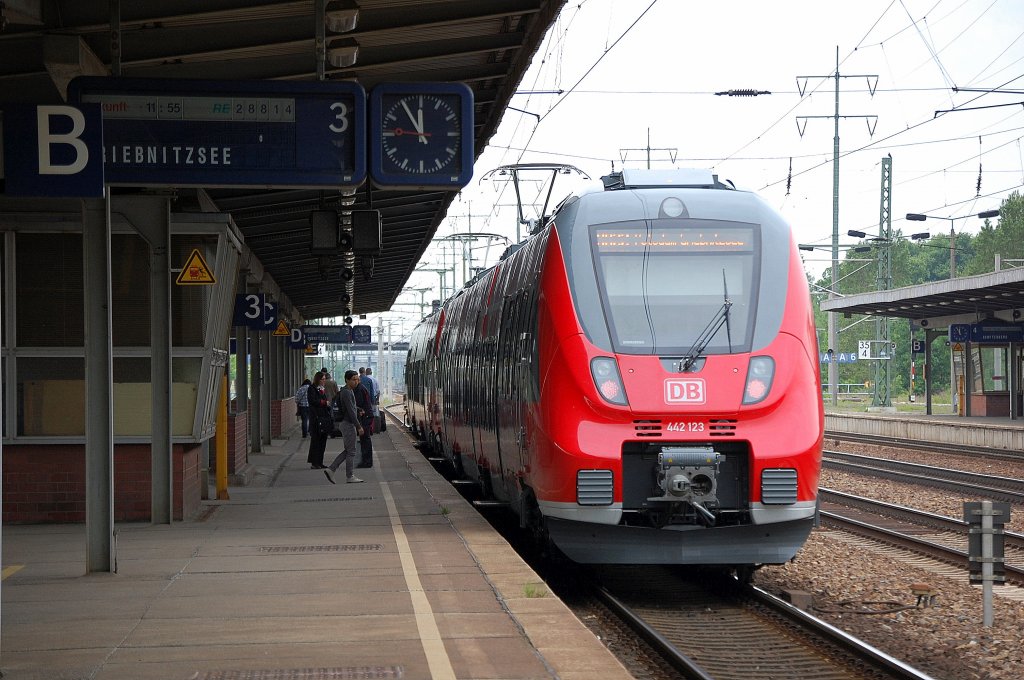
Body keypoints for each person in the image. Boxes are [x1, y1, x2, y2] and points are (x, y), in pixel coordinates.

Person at [324, 370, 364, 484]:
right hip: (348, 424)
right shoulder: (347, 392)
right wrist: (358, 426)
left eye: (357, 379)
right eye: (353, 379)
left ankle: (331, 469)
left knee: (348, 450)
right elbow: (351, 411)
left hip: (346, 423)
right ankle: (349, 476)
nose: (356, 382)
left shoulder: (347, 391)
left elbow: (352, 407)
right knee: (351, 451)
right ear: (347, 380)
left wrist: (359, 409)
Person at [306, 371, 331, 469]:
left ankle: (320, 461)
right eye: (323, 379)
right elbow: (313, 401)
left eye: (325, 379)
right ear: (318, 379)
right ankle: (314, 462)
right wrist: (324, 403)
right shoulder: (311, 389)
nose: (324, 381)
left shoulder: (322, 390)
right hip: (316, 418)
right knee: (316, 440)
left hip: (323, 417)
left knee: (323, 441)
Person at [353, 374, 375, 468]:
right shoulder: (361, 388)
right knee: (365, 439)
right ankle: (367, 461)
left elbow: (359, 403)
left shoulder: (359, 389)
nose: (354, 381)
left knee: (365, 439)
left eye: (356, 379)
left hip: (365, 416)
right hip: (367, 415)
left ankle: (366, 462)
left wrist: (357, 409)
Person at [362, 367, 381, 433]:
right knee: (373, 414)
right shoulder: (375, 380)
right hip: (372, 399)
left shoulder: (361, 379)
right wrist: (376, 400)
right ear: (371, 372)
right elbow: (377, 391)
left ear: (366, 372)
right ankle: (373, 429)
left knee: (364, 414)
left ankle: (365, 428)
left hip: (363, 400)